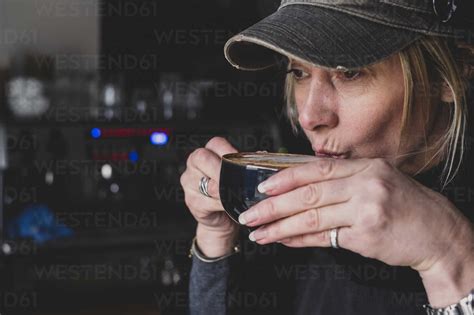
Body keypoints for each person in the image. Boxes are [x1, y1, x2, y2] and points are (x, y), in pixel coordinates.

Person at [180, 0, 474, 314]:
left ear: (450, 74)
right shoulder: (290, 216)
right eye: (299, 72)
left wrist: (451, 257)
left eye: (349, 73)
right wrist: (216, 238)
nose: (309, 116)